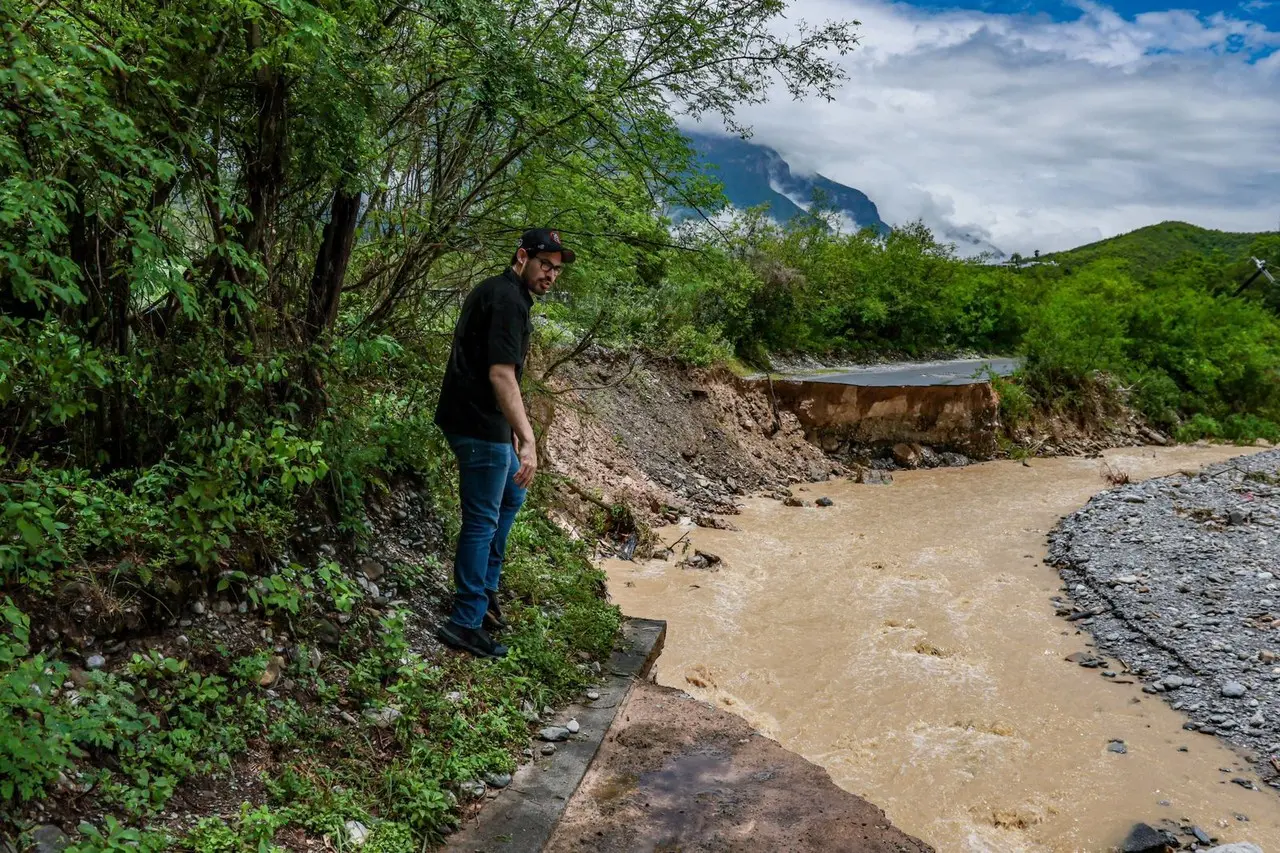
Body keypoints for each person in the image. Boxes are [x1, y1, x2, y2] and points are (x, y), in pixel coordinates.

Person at [433, 228, 574, 658]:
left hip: (484, 419)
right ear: (522, 257)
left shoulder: (504, 294)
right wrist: (528, 439)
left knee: (512, 493)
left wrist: (513, 426)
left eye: (555, 269)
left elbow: (499, 372)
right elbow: (500, 374)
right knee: (482, 519)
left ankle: (486, 591)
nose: (550, 275)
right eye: (544, 265)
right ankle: (466, 620)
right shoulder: (508, 300)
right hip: (475, 423)